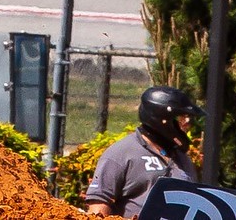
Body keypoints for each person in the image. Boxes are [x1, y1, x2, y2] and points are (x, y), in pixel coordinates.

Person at [84, 86, 203, 218]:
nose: (187, 123)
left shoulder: (182, 158)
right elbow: (98, 206)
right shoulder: (121, 153)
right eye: (181, 118)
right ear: (162, 118)